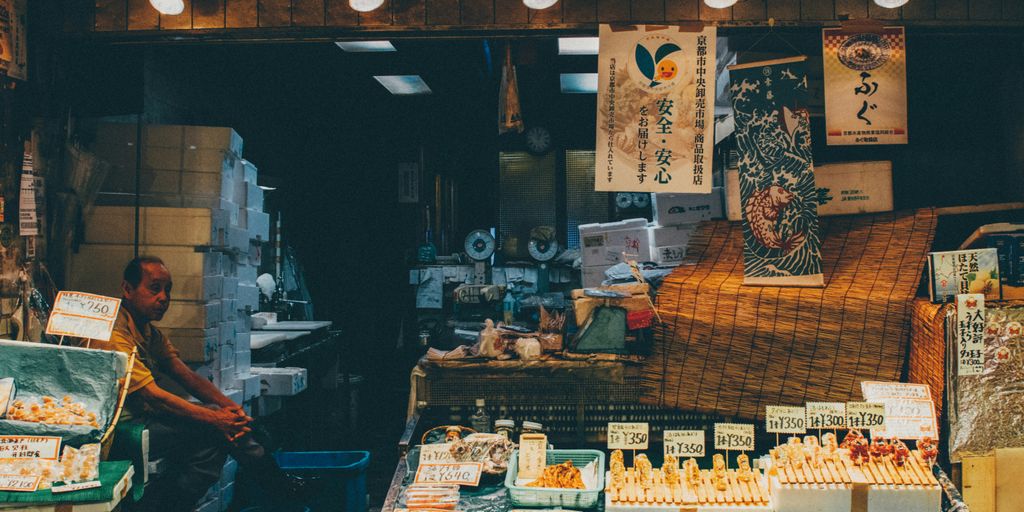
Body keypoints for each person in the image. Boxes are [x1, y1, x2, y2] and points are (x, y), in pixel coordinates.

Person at [91, 256, 301, 512]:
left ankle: (276, 484)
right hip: (115, 430)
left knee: (219, 426)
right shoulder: (112, 333)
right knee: (214, 427)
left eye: (167, 290)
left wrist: (235, 413)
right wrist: (218, 419)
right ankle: (278, 485)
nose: (163, 298)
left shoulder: (147, 330)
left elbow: (187, 376)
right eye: (154, 288)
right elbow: (154, 396)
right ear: (127, 289)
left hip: (143, 419)